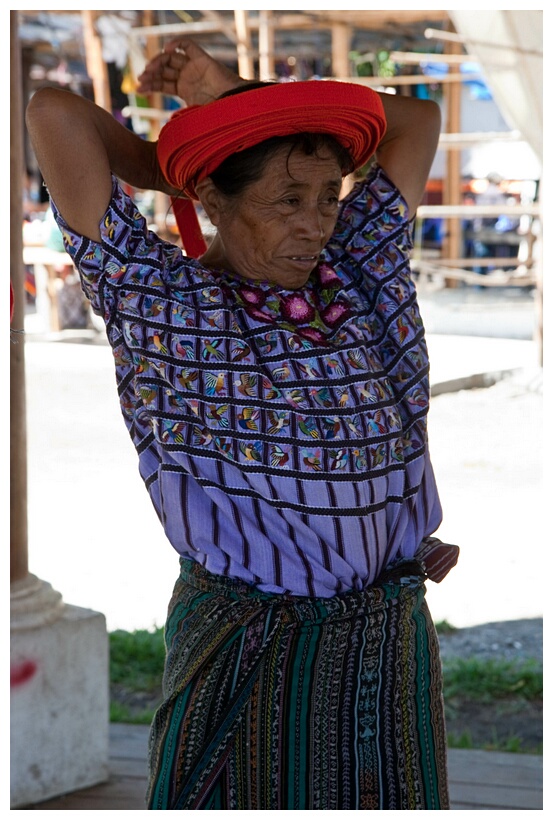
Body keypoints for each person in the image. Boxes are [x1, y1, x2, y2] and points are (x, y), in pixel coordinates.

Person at [26, 38, 459, 810]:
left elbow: (415, 120)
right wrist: (184, 159)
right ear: (214, 205)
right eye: (285, 201)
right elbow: (53, 114)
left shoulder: (357, 267)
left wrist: (236, 91)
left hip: (386, 651)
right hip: (251, 654)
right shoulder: (170, 308)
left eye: (329, 195)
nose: (317, 222)